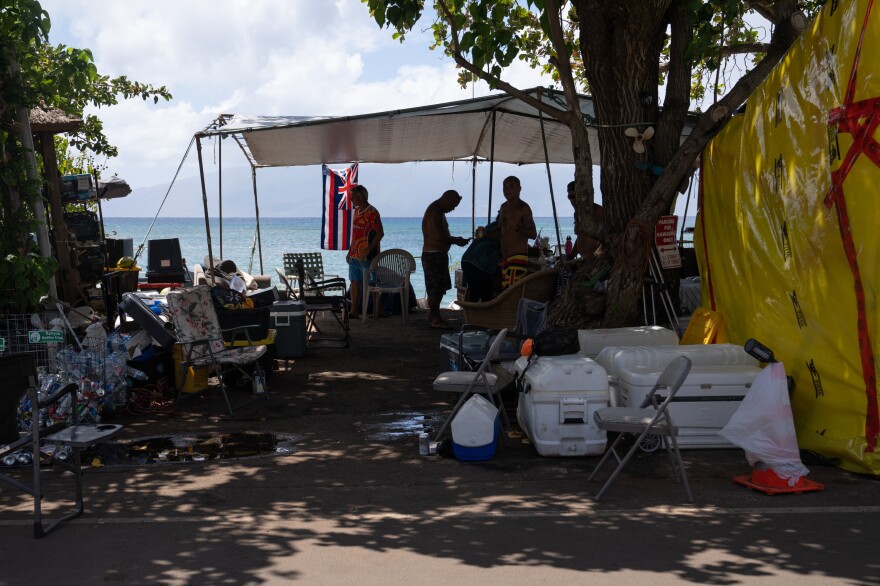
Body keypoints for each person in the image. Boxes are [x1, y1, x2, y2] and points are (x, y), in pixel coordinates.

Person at [421, 190, 470, 326]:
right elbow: (438, 236)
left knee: (438, 287)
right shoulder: (435, 212)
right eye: (453, 205)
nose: (453, 209)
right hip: (433, 255)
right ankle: (436, 318)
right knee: (435, 289)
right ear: (447, 200)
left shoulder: (437, 211)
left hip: (436, 254)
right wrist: (456, 240)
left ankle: (433, 316)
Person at [347, 185, 383, 318]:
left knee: (372, 283)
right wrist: (350, 251)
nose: (351, 199)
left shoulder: (372, 212)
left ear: (361, 197)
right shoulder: (356, 211)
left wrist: (369, 248)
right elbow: (355, 234)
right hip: (355, 254)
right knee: (354, 282)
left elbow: (380, 233)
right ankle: (354, 310)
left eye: (353, 196)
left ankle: (378, 310)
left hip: (369, 256)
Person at [497, 176, 537, 289]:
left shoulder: (523, 208)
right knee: (507, 293)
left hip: (518, 258)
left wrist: (519, 229)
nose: (507, 190)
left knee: (511, 294)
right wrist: (485, 234)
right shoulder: (503, 207)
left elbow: (533, 234)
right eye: (505, 187)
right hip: (505, 259)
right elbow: (501, 231)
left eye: (511, 186)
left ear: (519, 189)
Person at [461, 221, 501, 302]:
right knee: (486, 294)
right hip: (478, 265)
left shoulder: (483, 237)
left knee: (474, 292)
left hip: (466, 261)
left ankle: (471, 312)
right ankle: (483, 313)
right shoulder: (494, 238)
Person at [566, 180, 605, 260]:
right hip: (584, 259)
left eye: (574, 196)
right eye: (570, 197)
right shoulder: (578, 213)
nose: (572, 200)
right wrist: (571, 256)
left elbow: (602, 239)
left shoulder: (598, 211)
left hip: (595, 259)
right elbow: (580, 237)